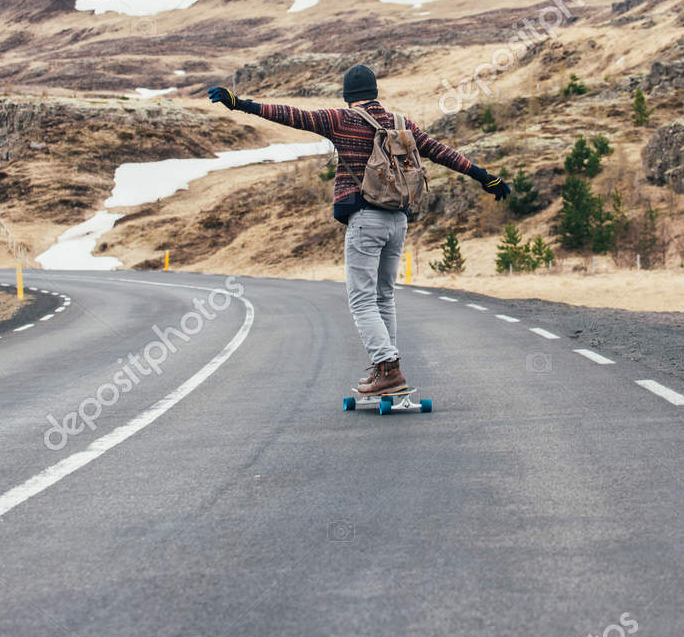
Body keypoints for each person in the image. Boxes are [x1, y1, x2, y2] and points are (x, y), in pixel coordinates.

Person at [209, 63, 509, 396]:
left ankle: (388, 367)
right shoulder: (401, 123)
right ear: (375, 92)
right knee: (384, 298)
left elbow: (291, 115)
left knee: (361, 301)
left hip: (366, 220)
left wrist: (239, 103)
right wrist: (485, 177)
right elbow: (442, 152)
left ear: (348, 95)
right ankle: (387, 367)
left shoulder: (343, 120)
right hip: (398, 219)